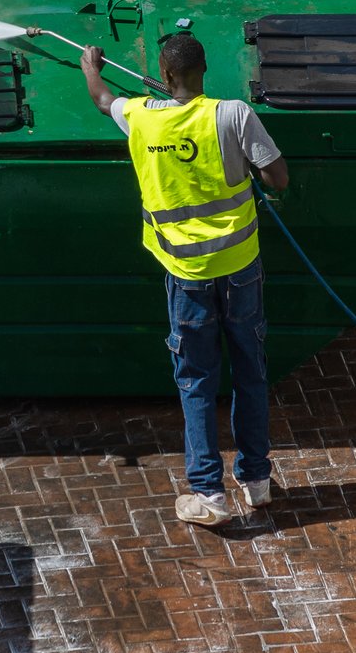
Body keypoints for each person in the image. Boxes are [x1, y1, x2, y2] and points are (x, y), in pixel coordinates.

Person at [81, 32, 289, 527]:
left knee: (196, 380)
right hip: (240, 269)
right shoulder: (232, 113)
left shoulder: (141, 116)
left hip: (186, 276)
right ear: (204, 69)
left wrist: (92, 66)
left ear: (166, 73)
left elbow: (103, 100)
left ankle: (208, 494)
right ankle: (257, 481)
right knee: (251, 370)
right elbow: (277, 178)